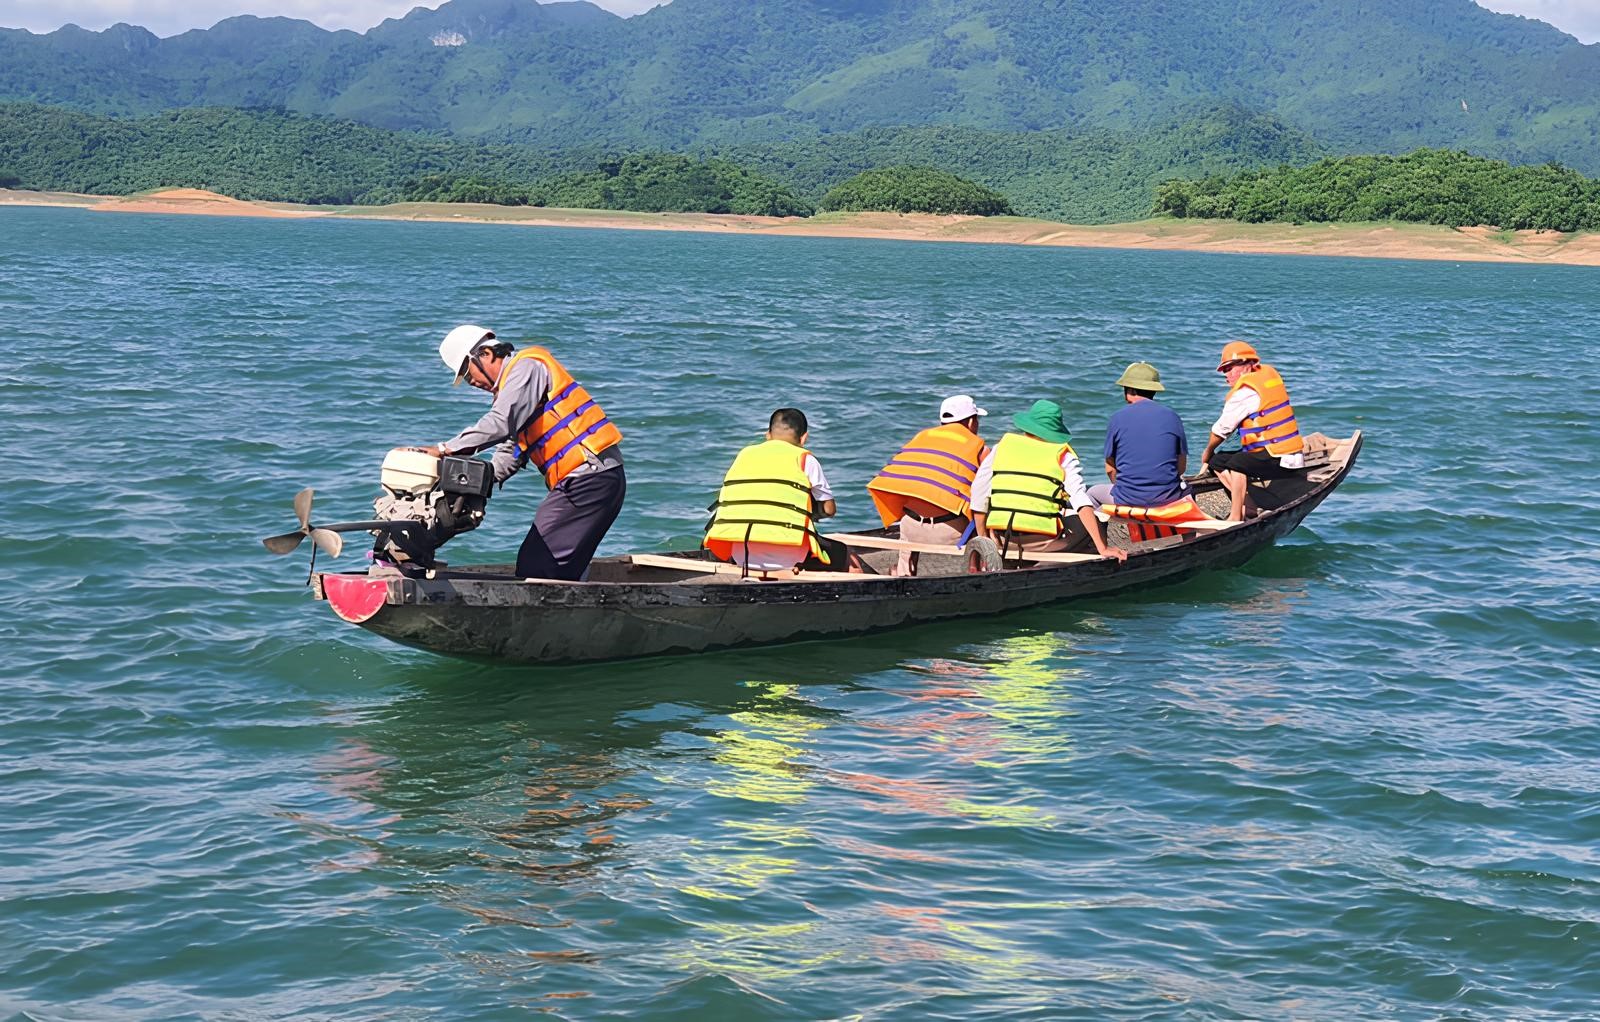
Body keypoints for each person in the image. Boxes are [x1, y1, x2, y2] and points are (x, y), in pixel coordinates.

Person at [409, 324, 626, 580]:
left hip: (590, 479)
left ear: (486, 354)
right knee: (555, 564)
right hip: (591, 481)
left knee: (538, 561)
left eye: (469, 374)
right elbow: (511, 451)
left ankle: (547, 613)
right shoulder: (515, 392)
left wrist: (444, 449)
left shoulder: (526, 368)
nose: (472, 383)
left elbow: (500, 423)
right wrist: (472, 483)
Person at [970, 399, 1126, 562]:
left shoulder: (1001, 447)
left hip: (1003, 538)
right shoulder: (1063, 456)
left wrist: (984, 539)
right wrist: (1103, 547)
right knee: (1096, 525)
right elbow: (1081, 501)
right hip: (1042, 541)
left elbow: (978, 492)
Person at [704, 408, 850, 576]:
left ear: (768, 435)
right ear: (804, 438)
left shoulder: (744, 455)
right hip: (790, 558)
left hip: (739, 554)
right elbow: (829, 510)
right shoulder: (805, 459)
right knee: (846, 555)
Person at [866, 395, 990, 577]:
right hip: (950, 532)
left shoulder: (920, 438)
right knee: (981, 511)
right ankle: (976, 569)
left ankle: (904, 571)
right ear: (971, 422)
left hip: (910, 527)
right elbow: (985, 494)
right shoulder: (980, 449)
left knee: (911, 513)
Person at [1199, 341, 1306, 521]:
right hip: (1287, 453)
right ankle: (1248, 506)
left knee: (1238, 463)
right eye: (1224, 371)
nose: (1226, 375)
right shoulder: (1265, 377)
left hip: (1280, 458)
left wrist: (1207, 451)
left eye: (1229, 368)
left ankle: (1234, 517)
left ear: (1246, 365)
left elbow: (1222, 429)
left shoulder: (1245, 392)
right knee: (1218, 461)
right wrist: (1212, 457)